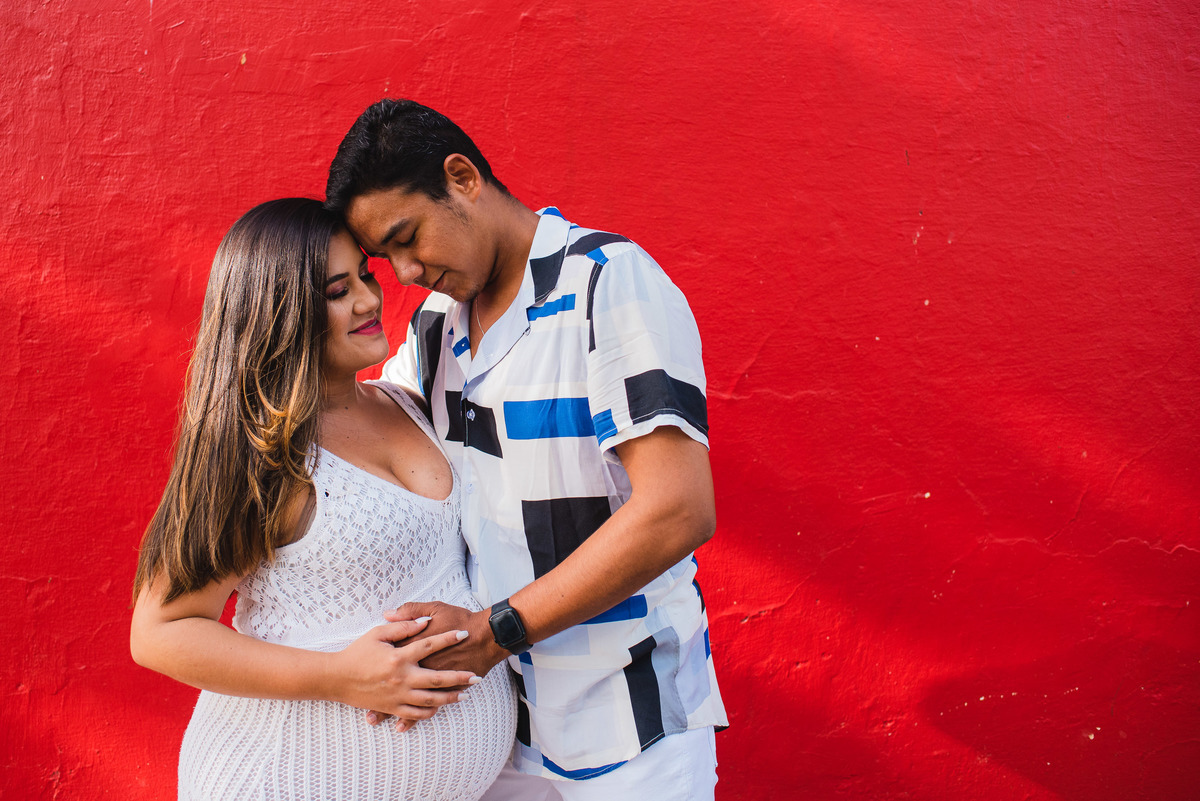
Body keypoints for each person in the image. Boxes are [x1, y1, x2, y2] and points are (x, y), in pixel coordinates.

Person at [324, 99, 728, 800]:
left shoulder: (608, 281)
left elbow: (677, 509)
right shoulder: (432, 331)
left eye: (407, 237)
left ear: (463, 178)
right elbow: (359, 432)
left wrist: (494, 632)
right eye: (386, 259)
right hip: (499, 734)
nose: (407, 271)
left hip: (633, 728)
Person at [129, 198, 516, 801]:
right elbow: (160, 631)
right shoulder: (263, 454)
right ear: (278, 313)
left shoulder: (408, 402)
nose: (369, 298)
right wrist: (340, 678)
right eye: (338, 290)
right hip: (277, 779)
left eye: (364, 275)